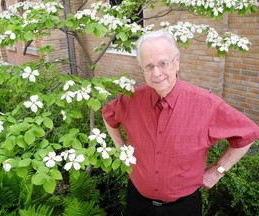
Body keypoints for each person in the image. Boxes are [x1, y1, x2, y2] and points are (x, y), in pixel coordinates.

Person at [102, 29, 259, 216]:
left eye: (163, 63)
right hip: (137, 203)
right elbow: (108, 116)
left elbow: (248, 134)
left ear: (177, 62)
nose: (157, 73)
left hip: (183, 208)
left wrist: (217, 171)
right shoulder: (131, 100)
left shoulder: (207, 105)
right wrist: (122, 152)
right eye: (149, 66)